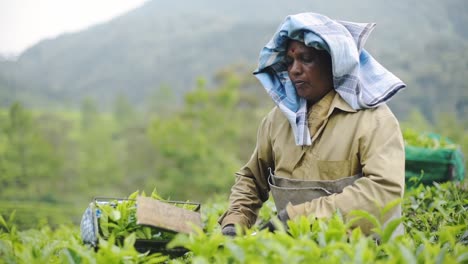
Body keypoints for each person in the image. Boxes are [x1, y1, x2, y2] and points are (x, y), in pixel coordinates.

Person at [218, 12, 406, 237]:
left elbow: (383, 192)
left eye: (306, 59)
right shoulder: (277, 120)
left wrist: (295, 219)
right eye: (290, 61)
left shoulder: (373, 121)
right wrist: (234, 221)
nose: (294, 69)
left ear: (334, 63)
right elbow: (251, 178)